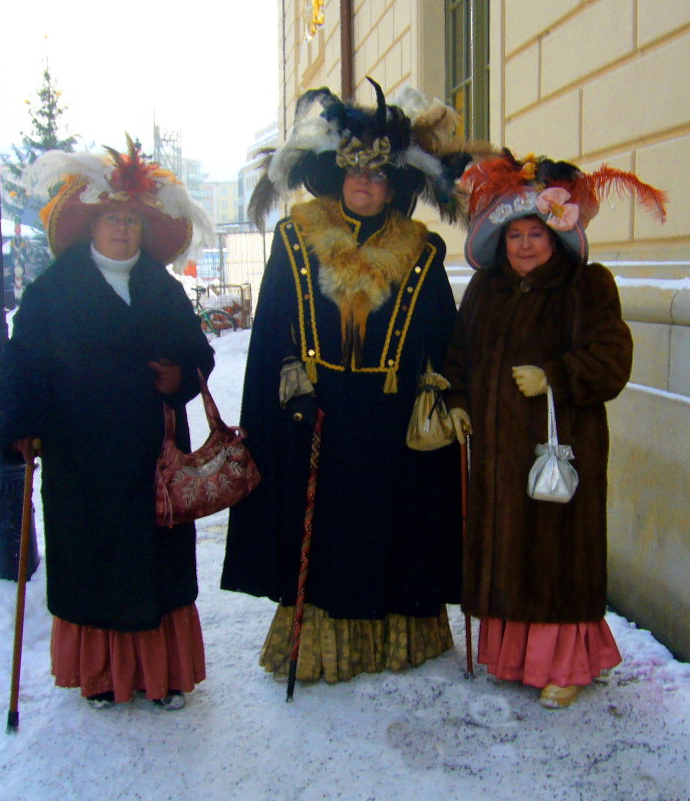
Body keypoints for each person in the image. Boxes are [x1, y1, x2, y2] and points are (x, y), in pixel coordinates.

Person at [222, 80, 478, 684]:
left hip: (392, 423)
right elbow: (274, 333)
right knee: (326, 532)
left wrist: (444, 396)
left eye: (379, 174)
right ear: (336, 176)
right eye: (354, 171)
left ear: (396, 184)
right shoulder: (295, 240)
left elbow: (441, 337)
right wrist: (294, 389)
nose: (366, 183)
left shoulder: (422, 251)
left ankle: (396, 638)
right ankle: (317, 646)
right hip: (317, 416)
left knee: (394, 528)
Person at [0, 137, 217, 710]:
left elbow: (199, 354)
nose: (122, 229)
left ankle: (163, 675)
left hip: (154, 458)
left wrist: (183, 378)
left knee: (156, 566)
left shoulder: (164, 290)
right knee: (95, 564)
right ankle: (100, 677)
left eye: (131, 220)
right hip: (83, 462)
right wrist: (21, 425)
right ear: (92, 224)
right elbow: (21, 364)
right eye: (112, 218)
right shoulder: (51, 294)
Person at [443, 152, 665, 708]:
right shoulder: (484, 290)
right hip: (495, 456)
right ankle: (514, 656)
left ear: (555, 234)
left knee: (555, 556)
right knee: (507, 552)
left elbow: (612, 360)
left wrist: (555, 376)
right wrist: (457, 400)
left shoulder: (586, 286)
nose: (523, 245)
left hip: (557, 451)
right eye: (514, 234)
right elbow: (458, 355)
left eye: (535, 233)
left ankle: (566, 664)